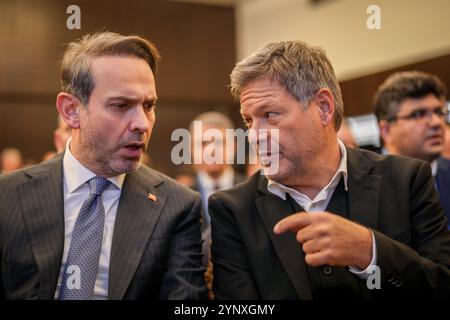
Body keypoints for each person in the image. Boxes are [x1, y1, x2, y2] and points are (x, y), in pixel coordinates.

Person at [209, 41, 450, 299]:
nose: (254, 137)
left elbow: (442, 285)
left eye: (270, 114)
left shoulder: (406, 179)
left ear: (323, 107)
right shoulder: (233, 209)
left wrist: (370, 251)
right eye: (249, 121)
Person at [0, 32, 206, 300]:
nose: (142, 124)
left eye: (149, 105)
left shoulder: (177, 206)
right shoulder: (7, 196)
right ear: (71, 110)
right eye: (121, 105)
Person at [374, 71, 450, 228]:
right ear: (387, 131)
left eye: (438, 112)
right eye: (419, 114)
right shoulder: (366, 184)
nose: (436, 122)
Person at [188, 112, 246, 266]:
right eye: (204, 143)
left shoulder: (253, 193)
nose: (212, 151)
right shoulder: (181, 198)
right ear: (191, 149)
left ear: (233, 146)